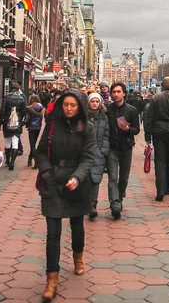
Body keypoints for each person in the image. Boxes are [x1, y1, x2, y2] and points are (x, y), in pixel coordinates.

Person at [35, 90, 97, 301]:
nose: (69, 109)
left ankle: (78, 257)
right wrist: (46, 172)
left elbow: (89, 157)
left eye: (73, 105)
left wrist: (78, 177)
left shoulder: (88, 129)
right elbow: (41, 151)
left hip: (76, 183)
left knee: (77, 225)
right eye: (66, 105)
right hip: (52, 182)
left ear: (80, 107)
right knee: (53, 232)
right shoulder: (52, 125)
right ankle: (51, 279)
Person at [106, 82, 140, 219]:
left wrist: (128, 129)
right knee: (113, 177)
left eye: (118, 92)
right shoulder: (108, 109)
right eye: (113, 92)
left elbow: (136, 129)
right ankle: (114, 203)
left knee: (124, 178)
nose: (116, 94)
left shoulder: (131, 110)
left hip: (126, 147)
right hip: (112, 147)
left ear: (124, 93)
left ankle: (119, 198)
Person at [87, 93, 109, 219]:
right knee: (85, 179)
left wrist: (102, 151)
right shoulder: (83, 116)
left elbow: (106, 135)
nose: (95, 103)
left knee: (95, 179)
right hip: (85, 152)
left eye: (97, 101)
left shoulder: (104, 117)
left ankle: (92, 206)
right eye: (92, 101)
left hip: (98, 153)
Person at [0, 81, 26, 170]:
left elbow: (2, 110)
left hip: (7, 122)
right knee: (15, 141)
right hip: (17, 123)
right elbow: (24, 111)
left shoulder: (7, 98)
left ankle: (7, 161)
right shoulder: (21, 99)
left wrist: (0, 122)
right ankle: (12, 163)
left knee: (7, 141)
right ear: (18, 89)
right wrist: (20, 118)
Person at [24, 94, 44, 169]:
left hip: (31, 128)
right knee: (34, 144)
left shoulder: (30, 108)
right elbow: (41, 118)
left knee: (32, 146)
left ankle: (37, 162)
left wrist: (21, 124)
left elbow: (27, 119)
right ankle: (29, 160)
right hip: (38, 128)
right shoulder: (41, 107)